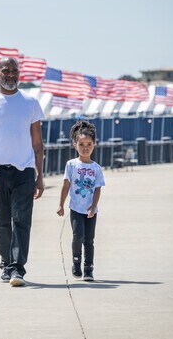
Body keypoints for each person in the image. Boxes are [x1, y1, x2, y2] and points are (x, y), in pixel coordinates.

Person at [0, 56, 45, 287]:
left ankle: (17, 269)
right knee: (1, 221)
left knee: (22, 220)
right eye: (6, 71)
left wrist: (40, 176)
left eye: (14, 71)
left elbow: (37, 144)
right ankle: (6, 262)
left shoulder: (31, 103)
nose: (11, 75)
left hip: (24, 172)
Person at [57, 120, 105, 282]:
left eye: (89, 144)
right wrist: (60, 205)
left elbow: (98, 188)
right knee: (78, 236)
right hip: (76, 208)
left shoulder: (96, 168)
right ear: (75, 144)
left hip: (91, 210)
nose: (85, 147)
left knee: (89, 240)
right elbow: (66, 184)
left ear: (94, 145)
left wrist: (93, 206)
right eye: (82, 144)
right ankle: (76, 263)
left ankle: (88, 269)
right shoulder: (71, 165)